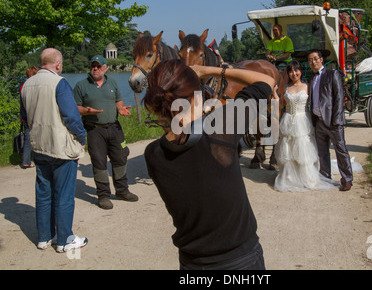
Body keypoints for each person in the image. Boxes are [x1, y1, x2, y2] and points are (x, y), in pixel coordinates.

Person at [143, 59, 275, 270]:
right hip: (240, 260)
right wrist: (208, 70)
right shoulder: (220, 127)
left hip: (192, 263)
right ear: (197, 93)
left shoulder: (153, 154)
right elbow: (266, 80)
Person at [20, 48, 88, 252]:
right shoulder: (60, 83)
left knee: (43, 192)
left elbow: (24, 116)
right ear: (57, 64)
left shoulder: (26, 85)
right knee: (64, 194)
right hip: (60, 146)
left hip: (38, 146)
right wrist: (82, 136)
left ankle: (44, 237)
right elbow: (71, 116)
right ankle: (65, 239)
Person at [73, 55, 138, 210]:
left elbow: (118, 101)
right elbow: (76, 108)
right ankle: (103, 195)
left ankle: (122, 191)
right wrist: (87, 110)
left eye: (98, 66)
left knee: (121, 157)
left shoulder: (112, 83)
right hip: (95, 130)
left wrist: (121, 108)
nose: (95, 68)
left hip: (114, 128)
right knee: (99, 162)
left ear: (105, 68)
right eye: (93, 66)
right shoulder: (81, 86)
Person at [272, 61, 338, 192]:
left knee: (303, 148)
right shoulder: (286, 87)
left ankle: (307, 177)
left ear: (300, 71)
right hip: (288, 119)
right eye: (290, 71)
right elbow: (281, 105)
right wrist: (274, 93)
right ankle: (290, 177)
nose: (294, 74)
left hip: (302, 120)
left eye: (296, 70)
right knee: (288, 149)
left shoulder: (308, 86)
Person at [307, 50, 353, 191]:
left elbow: (339, 97)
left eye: (315, 59)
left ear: (321, 59)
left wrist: (337, 119)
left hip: (333, 121)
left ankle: (347, 179)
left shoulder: (333, 74)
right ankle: (325, 176)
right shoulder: (311, 79)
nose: (313, 62)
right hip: (319, 121)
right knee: (322, 152)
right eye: (310, 60)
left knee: (340, 150)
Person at [19, 66, 39, 169]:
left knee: (28, 139)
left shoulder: (23, 85)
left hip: (25, 115)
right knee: (29, 139)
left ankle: (26, 160)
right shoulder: (30, 86)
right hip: (30, 116)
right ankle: (27, 161)